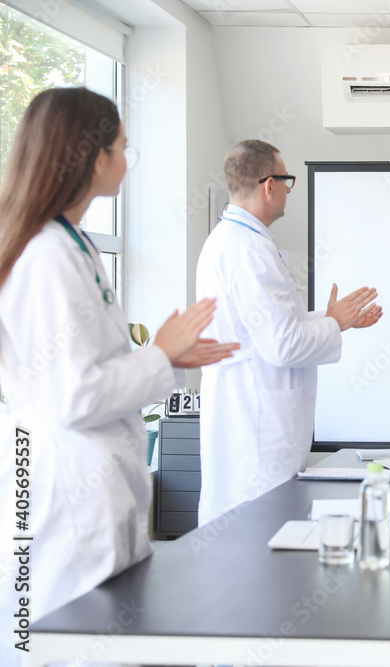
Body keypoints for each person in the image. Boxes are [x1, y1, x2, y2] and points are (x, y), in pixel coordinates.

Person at [0, 87, 238, 661]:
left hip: (93, 488)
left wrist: (169, 359)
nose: (128, 163)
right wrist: (159, 354)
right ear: (93, 156)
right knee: (69, 648)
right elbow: (74, 396)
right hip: (66, 494)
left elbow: (93, 371)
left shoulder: (73, 245)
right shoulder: (46, 256)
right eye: (123, 149)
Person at [196, 139, 382, 526]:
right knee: (259, 560)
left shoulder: (234, 242)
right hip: (259, 440)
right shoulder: (248, 250)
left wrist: (328, 317)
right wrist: (337, 322)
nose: (287, 191)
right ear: (269, 185)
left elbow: (271, 326)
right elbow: (282, 345)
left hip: (252, 430)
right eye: (286, 181)